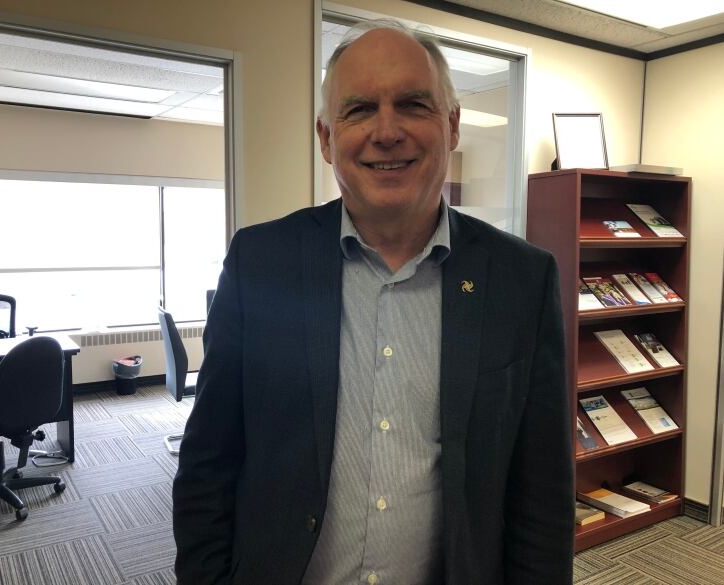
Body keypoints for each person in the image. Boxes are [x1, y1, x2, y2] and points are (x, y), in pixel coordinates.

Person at [173, 19, 573, 585]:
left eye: (413, 104)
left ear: (452, 125)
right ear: (325, 136)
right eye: (359, 109)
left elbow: (542, 493)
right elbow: (209, 465)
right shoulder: (260, 262)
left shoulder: (522, 280)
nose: (387, 132)